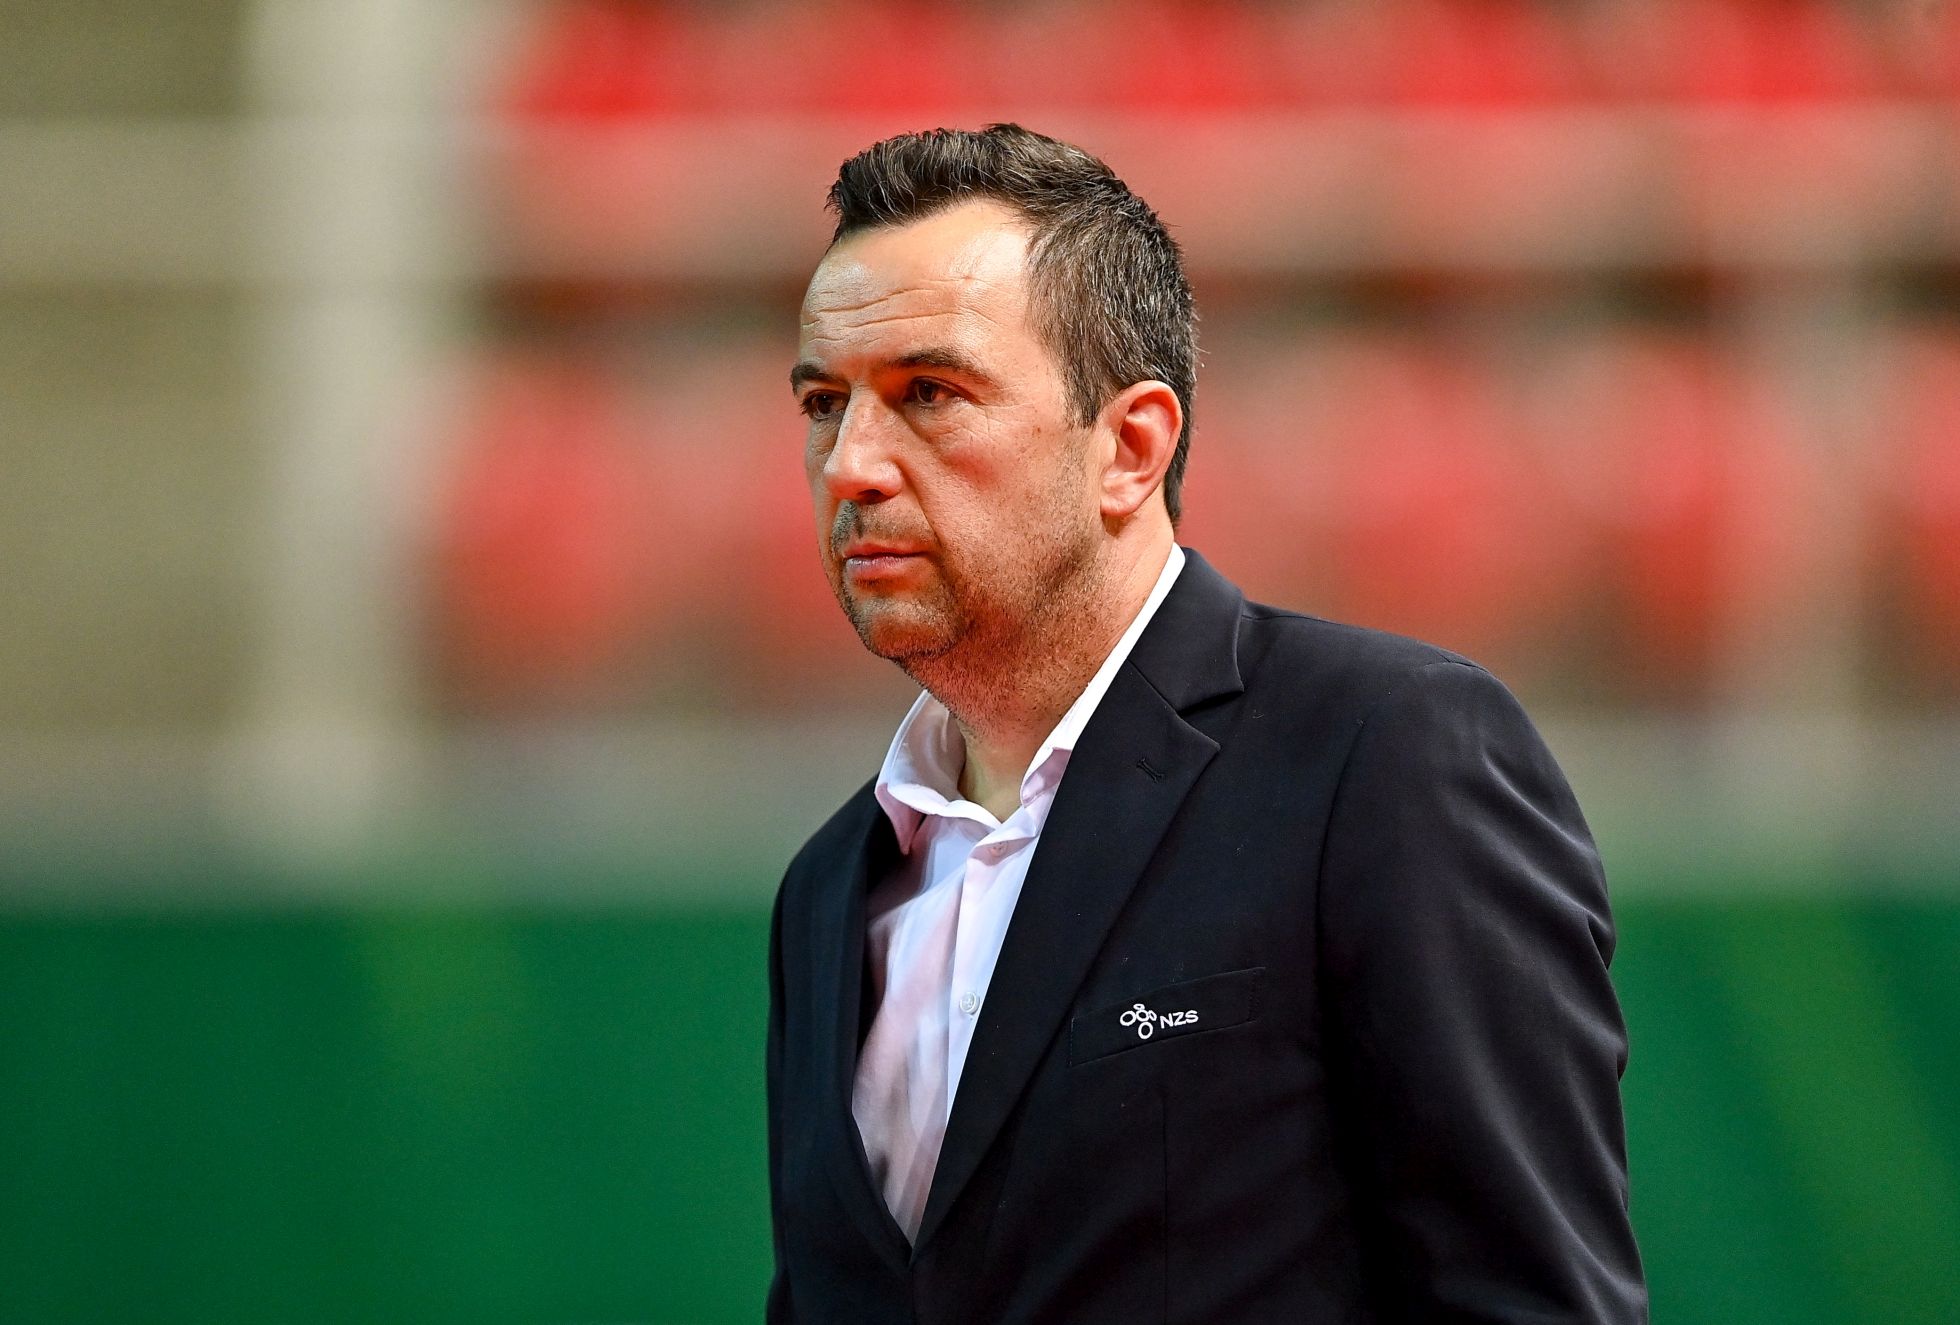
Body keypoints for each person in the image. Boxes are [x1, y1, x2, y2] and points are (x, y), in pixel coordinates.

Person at [766, 123, 1646, 1325]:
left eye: (930, 393)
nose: (850, 465)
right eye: (825, 403)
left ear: (1130, 447)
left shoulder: (1386, 757)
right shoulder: (826, 890)